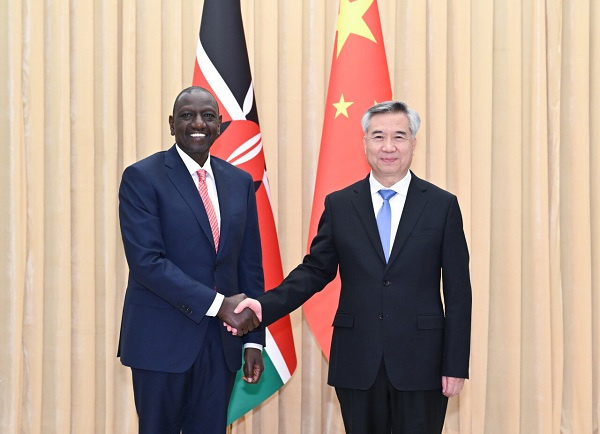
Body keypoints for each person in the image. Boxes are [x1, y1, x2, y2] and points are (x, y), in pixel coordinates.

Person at [228, 101, 472, 433]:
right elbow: (315, 270)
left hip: (422, 363)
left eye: (399, 136)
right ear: (365, 142)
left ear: (414, 143)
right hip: (358, 361)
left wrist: (454, 364)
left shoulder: (442, 205)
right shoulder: (340, 204)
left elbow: (458, 293)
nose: (388, 147)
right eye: (378, 136)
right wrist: (264, 305)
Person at [117, 86, 265, 434]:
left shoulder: (240, 182)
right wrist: (219, 305)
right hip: (160, 343)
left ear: (220, 125)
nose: (198, 123)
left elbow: (249, 264)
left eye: (207, 116)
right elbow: (147, 263)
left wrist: (253, 339)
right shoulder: (142, 177)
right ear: (172, 124)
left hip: (221, 344)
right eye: (187, 116)